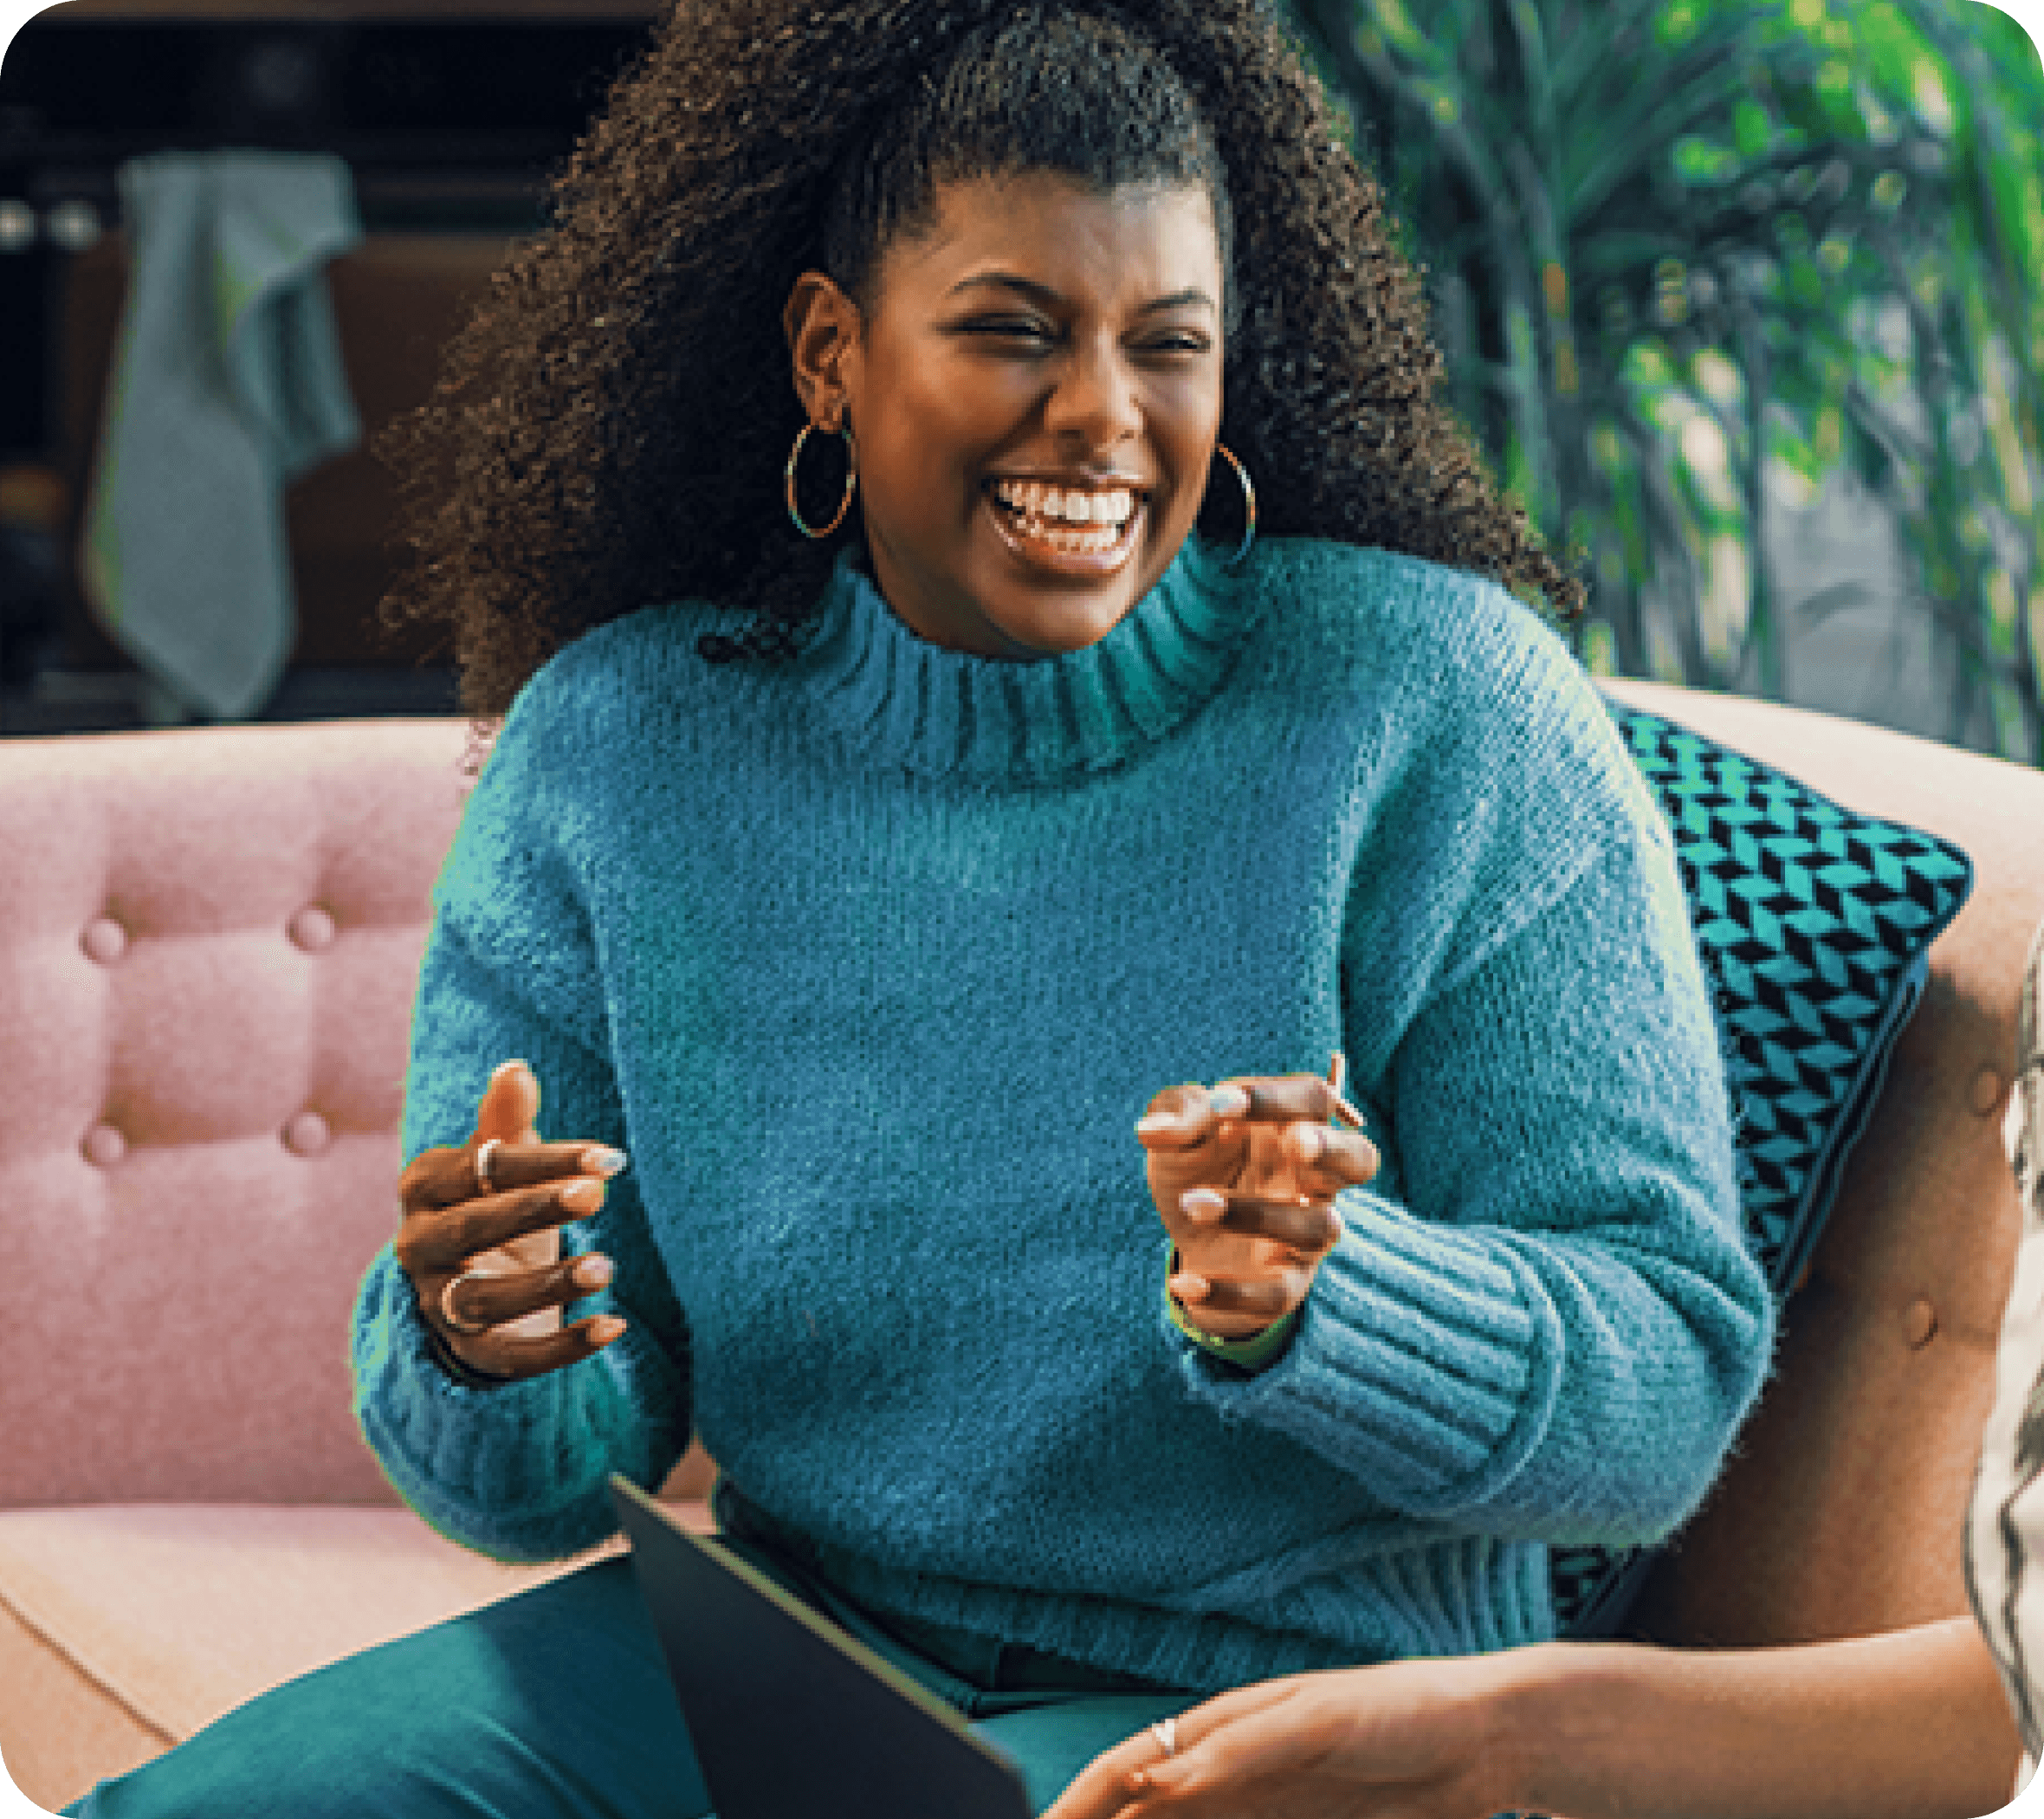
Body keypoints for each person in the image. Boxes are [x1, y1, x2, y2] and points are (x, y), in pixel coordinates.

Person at [61, 2, 1774, 1814]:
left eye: (1166, 346)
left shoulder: (1440, 710)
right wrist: (486, 1346)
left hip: (1289, 1712)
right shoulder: (619, 751)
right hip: (784, 1654)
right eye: (1013, 331)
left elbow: (1662, 1388)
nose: (1105, 419)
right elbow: (548, 1484)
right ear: (829, 352)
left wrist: (1327, 1301)